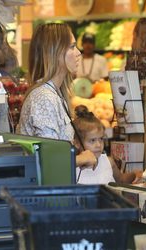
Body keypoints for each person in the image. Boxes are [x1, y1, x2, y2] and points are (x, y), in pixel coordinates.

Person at [18, 23, 97, 168]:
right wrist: (81, 159)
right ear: (55, 53)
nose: (79, 53)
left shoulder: (55, 93)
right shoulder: (43, 97)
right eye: (72, 47)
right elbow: (49, 160)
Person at [73, 105, 143, 184]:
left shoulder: (108, 162)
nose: (99, 145)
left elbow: (121, 180)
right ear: (77, 143)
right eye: (92, 140)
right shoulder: (72, 167)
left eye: (101, 139)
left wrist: (134, 174)